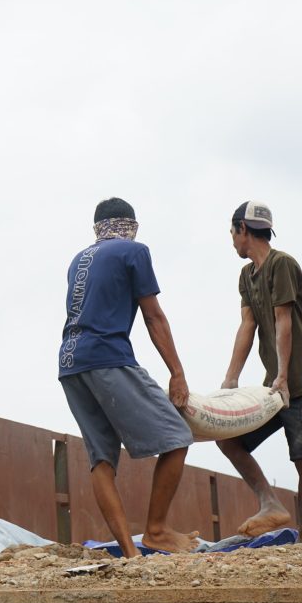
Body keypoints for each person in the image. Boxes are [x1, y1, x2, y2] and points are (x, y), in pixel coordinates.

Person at [58, 198, 197, 556]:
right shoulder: (134, 251)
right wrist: (177, 374)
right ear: (131, 225)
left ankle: (130, 554)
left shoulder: (79, 259)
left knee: (102, 459)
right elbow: (153, 316)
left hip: (71, 364)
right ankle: (156, 531)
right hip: (107, 358)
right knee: (177, 436)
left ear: (97, 229)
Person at [216, 201, 302, 542]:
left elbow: (284, 321)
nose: (232, 241)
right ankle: (270, 503)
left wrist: (283, 376)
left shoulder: (282, 264)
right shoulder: (247, 275)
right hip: (276, 383)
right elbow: (247, 326)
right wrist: (230, 380)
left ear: (243, 229)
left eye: (232, 232)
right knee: (229, 437)